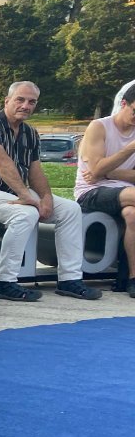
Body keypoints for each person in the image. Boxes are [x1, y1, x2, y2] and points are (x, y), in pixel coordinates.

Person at [0, 80, 102, 303]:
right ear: (7, 101)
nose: (25, 105)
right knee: (25, 213)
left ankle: (70, 279)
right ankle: (5, 282)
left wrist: (46, 197)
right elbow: (0, 161)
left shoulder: (30, 132)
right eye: (20, 99)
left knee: (70, 210)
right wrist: (27, 196)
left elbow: (35, 169)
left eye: (32, 102)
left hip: (14, 192)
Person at [75, 82, 135, 297]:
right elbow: (96, 170)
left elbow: (102, 171)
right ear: (124, 104)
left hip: (125, 193)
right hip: (91, 191)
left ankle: (130, 278)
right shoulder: (99, 127)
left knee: (132, 215)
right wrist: (130, 149)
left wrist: (110, 173)